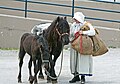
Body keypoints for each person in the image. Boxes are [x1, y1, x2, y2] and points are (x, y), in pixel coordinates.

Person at [69, 12, 96, 84]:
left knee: (83, 60)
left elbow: (93, 32)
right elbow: (70, 34)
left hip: (84, 45)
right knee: (74, 60)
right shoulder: (73, 25)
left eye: (77, 19)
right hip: (75, 45)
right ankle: (76, 76)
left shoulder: (86, 24)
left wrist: (83, 33)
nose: (75, 20)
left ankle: (83, 77)